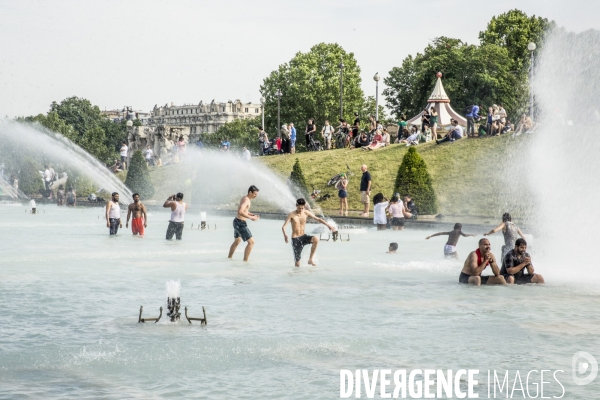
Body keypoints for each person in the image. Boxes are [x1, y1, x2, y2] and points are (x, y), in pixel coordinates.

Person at [281, 198, 336, 267]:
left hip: (303, 236)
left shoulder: (306, 212)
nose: (300, 210)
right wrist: (285, 235)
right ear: (296, 205)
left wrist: (328, 225)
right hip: (296, 239)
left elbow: (318, 219)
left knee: (316, 239)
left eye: (302, 208)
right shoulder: (291, 214)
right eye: (299, 208)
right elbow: (284, 226)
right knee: (297, 263)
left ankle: (310, 259)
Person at [228, 185, 260, 261]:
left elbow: (245, 210)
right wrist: (251, 218)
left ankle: (229, 258)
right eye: (255, 194)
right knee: (251, 242)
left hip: (236, 222)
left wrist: (252, 214)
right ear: (250, 192)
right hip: (240, 223)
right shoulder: (246, 200)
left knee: (237, 241)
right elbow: (240, 211)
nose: (255, 196)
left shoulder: (245, 198)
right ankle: (245, 261)